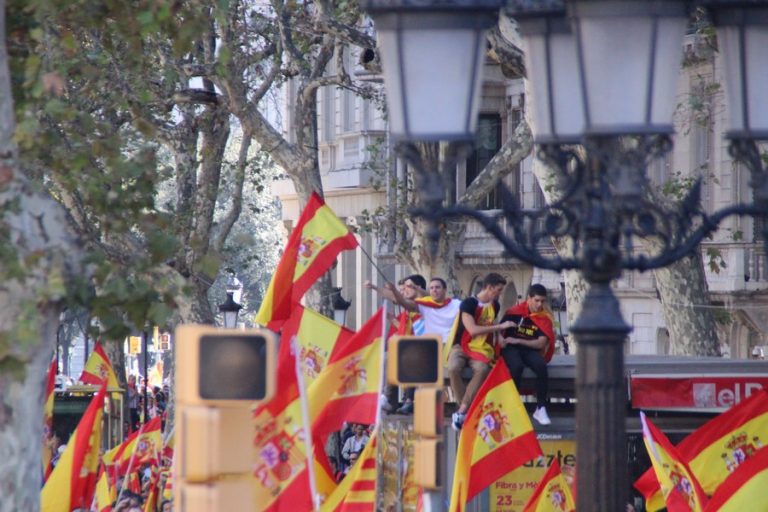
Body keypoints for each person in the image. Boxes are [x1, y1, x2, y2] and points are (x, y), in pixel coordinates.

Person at [448, 273, 516, 430]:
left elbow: (492, 322)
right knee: (453, 367)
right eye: (498, 290)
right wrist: (500, 328)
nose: (500, 293)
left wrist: (499, 337)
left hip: (481, 347)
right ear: (489, 288)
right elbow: (472, 330)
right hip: (462, 345)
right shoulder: (469, 304)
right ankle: (465, 408)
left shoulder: (495, 305)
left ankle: (462, 410)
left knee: (483, 369)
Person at [367, 274, 428, 414]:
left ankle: (404, 399)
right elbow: (394, 297)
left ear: (418, 287)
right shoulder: (409, 304)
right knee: (391, 356)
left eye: (407, 287)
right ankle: (389, 400)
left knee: (401, 356)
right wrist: (375, 287)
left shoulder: (425, 303)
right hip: (411, 346)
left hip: (426, 348)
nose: (404, 291)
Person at [499, 284, 556, 426]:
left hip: (529, 349)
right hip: (510, 349)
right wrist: (502, 341)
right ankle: (513, 406)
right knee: (516, 367)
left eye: (542, 301)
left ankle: (540, 408)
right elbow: (499, 331)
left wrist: (518, 340)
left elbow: (541, 343)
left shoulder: (544, 318)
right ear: (528, 299)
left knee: (541, 366)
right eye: (536, 300)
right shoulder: (513, 312)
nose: (539, 304)